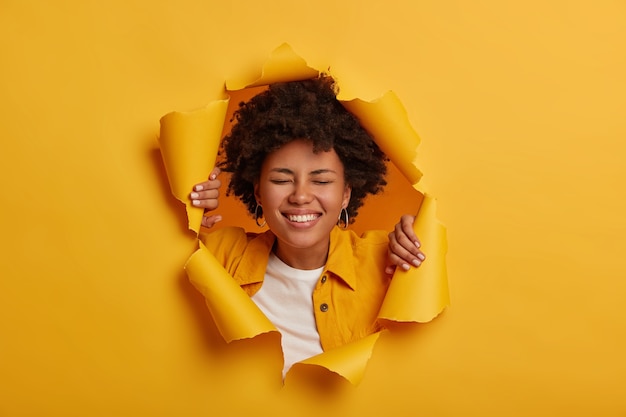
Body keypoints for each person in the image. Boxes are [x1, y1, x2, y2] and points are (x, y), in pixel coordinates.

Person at [189, 75, 425, 377]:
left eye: (322, 180)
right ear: (258, 191)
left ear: (346, 194)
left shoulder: (387, 261)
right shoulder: (218, 255)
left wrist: (423, 243)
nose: (300, 195)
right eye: (281, 180)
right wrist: (185, 218)